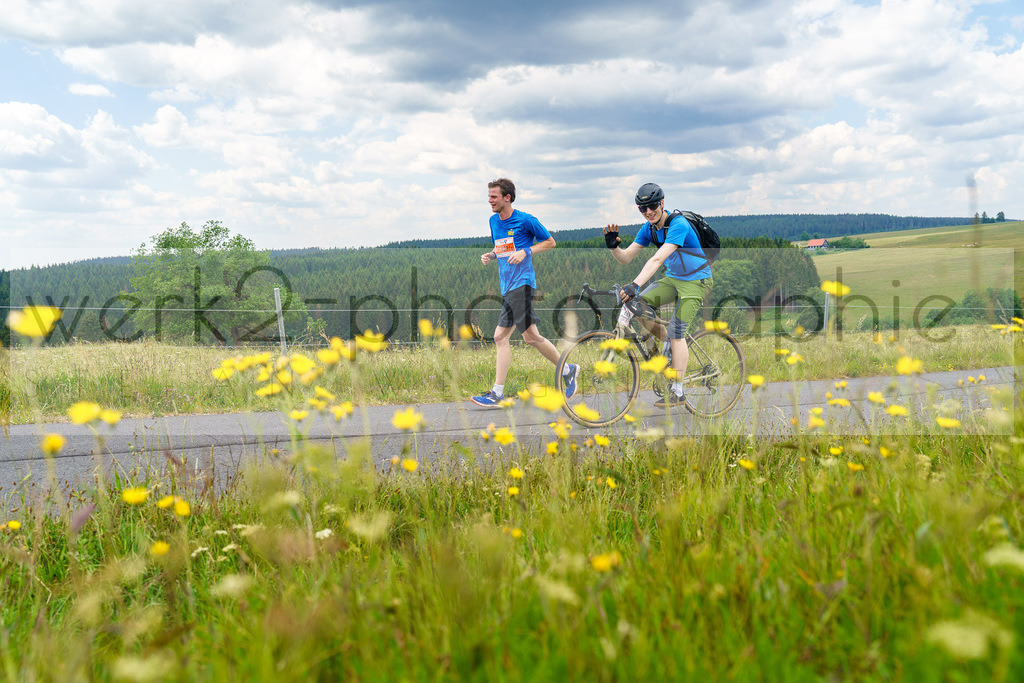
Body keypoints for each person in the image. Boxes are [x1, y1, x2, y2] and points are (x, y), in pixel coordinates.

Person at [603, 182, 712, 408]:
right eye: (642, 209)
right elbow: (626, 257)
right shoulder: (649, 228)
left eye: (652, 206)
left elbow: (657, 259)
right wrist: (613, 247)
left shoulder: (678, 224)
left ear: (662, 203)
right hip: (673, 279)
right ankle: (670, 348)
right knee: (637, 306)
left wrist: (635, 283)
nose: (648, 212)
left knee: (676, 331)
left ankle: (678, 391)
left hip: (696, 281)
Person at [472, 178, 579, 407]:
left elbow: (550, 242)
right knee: (531, 337)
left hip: (522, 284)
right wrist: (491, 255)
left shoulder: (526, 220)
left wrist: (525, 252)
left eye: (494, 196)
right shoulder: (493, 221)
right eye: (489, 196)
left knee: (500, 337)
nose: (489, 200)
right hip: (508, 285)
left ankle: (497, 393)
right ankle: (568, 370)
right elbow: (502, 246)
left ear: (507, 198)